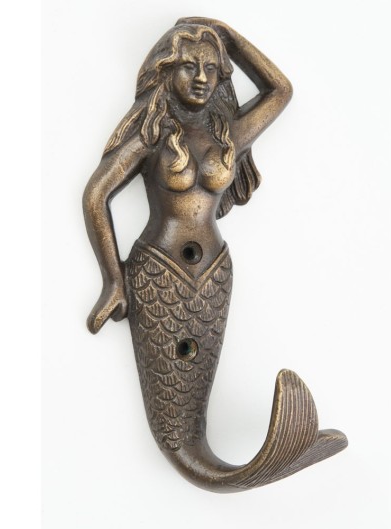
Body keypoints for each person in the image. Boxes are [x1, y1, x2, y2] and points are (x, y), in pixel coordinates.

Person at [83, 18, 345, 492]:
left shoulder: (229, 134)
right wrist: (114, 280)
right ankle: (205, 459)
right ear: (166, 71)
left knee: (193, 392)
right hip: (159, 272)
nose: (202, 78)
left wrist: (227, 37)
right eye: (189, 66)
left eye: (212, 68)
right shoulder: (152, 133)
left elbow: (280, 90)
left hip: (213, 273)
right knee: (174, 413)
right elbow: (96, 194)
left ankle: (249, 459)